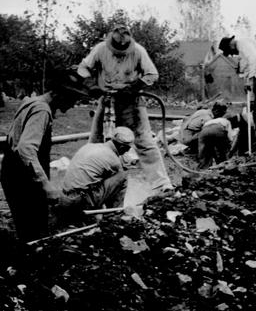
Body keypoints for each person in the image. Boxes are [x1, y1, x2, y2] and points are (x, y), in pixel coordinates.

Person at [77, 23, 173, 195]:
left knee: (145, 142)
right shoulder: (100, 49)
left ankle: (161, 185)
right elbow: (83, 68)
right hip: (106, 101)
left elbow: (152, 74)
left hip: (132, 102)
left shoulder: (138, 51)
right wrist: (92, 86)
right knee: (97, 142)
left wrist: (133, 88)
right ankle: (88, 185)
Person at [0, 70, 85, 242]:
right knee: (35, 235)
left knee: (30, 229)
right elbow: (25, 149)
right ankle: (29, 265)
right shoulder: (42, 110)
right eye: (73, 98)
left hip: (15, 174)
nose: (73, 104)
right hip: (23, 179)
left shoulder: (32, 102)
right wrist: (46, 185)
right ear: (60, 93)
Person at [218, 35, 256, 144]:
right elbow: (246, 66)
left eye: (230, 51)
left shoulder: (243, 42)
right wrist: (247, 80)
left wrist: (250, 79)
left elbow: (254, 59)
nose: (233, 54)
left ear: (230, 45)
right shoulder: (242, 50)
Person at [60, 126, 134, 212]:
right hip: (80, 203)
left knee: (97, 179)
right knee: (123, 176)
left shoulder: (90, 146)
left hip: (64, 198)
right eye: (128, 148)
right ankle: (114, 214)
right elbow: (114, 188)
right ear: (122, 147)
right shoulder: (114, 160)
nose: (127, 151)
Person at [197, 101, 235, 169]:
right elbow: (230, 137)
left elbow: (205, 133)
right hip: (218, 129)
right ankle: (223, 165)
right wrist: (230, 146)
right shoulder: (226, 121)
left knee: (206, 152)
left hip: (204, 132)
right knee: (222, 151)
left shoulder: (210, 120)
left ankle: (204, 168)